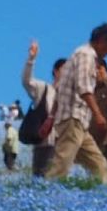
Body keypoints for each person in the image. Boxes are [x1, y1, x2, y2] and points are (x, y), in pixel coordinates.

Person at [44, 23, 107, 183]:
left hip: (78, 122)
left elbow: (60, 90)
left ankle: (101, 201)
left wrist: (51, 117)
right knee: (61, 165)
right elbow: (84, 88)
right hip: (73, 119)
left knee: (99, 165)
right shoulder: (86, 55)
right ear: (100, 41)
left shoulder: (79, 54)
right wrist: (98, 115)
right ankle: (45, 196)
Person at [21, 41, 66, 178]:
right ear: (56, 71)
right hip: (44, 144)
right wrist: (31, 59)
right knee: (41, 179)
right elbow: (26, 81)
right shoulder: (44, 89)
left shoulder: (71, 95)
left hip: (63, 146)